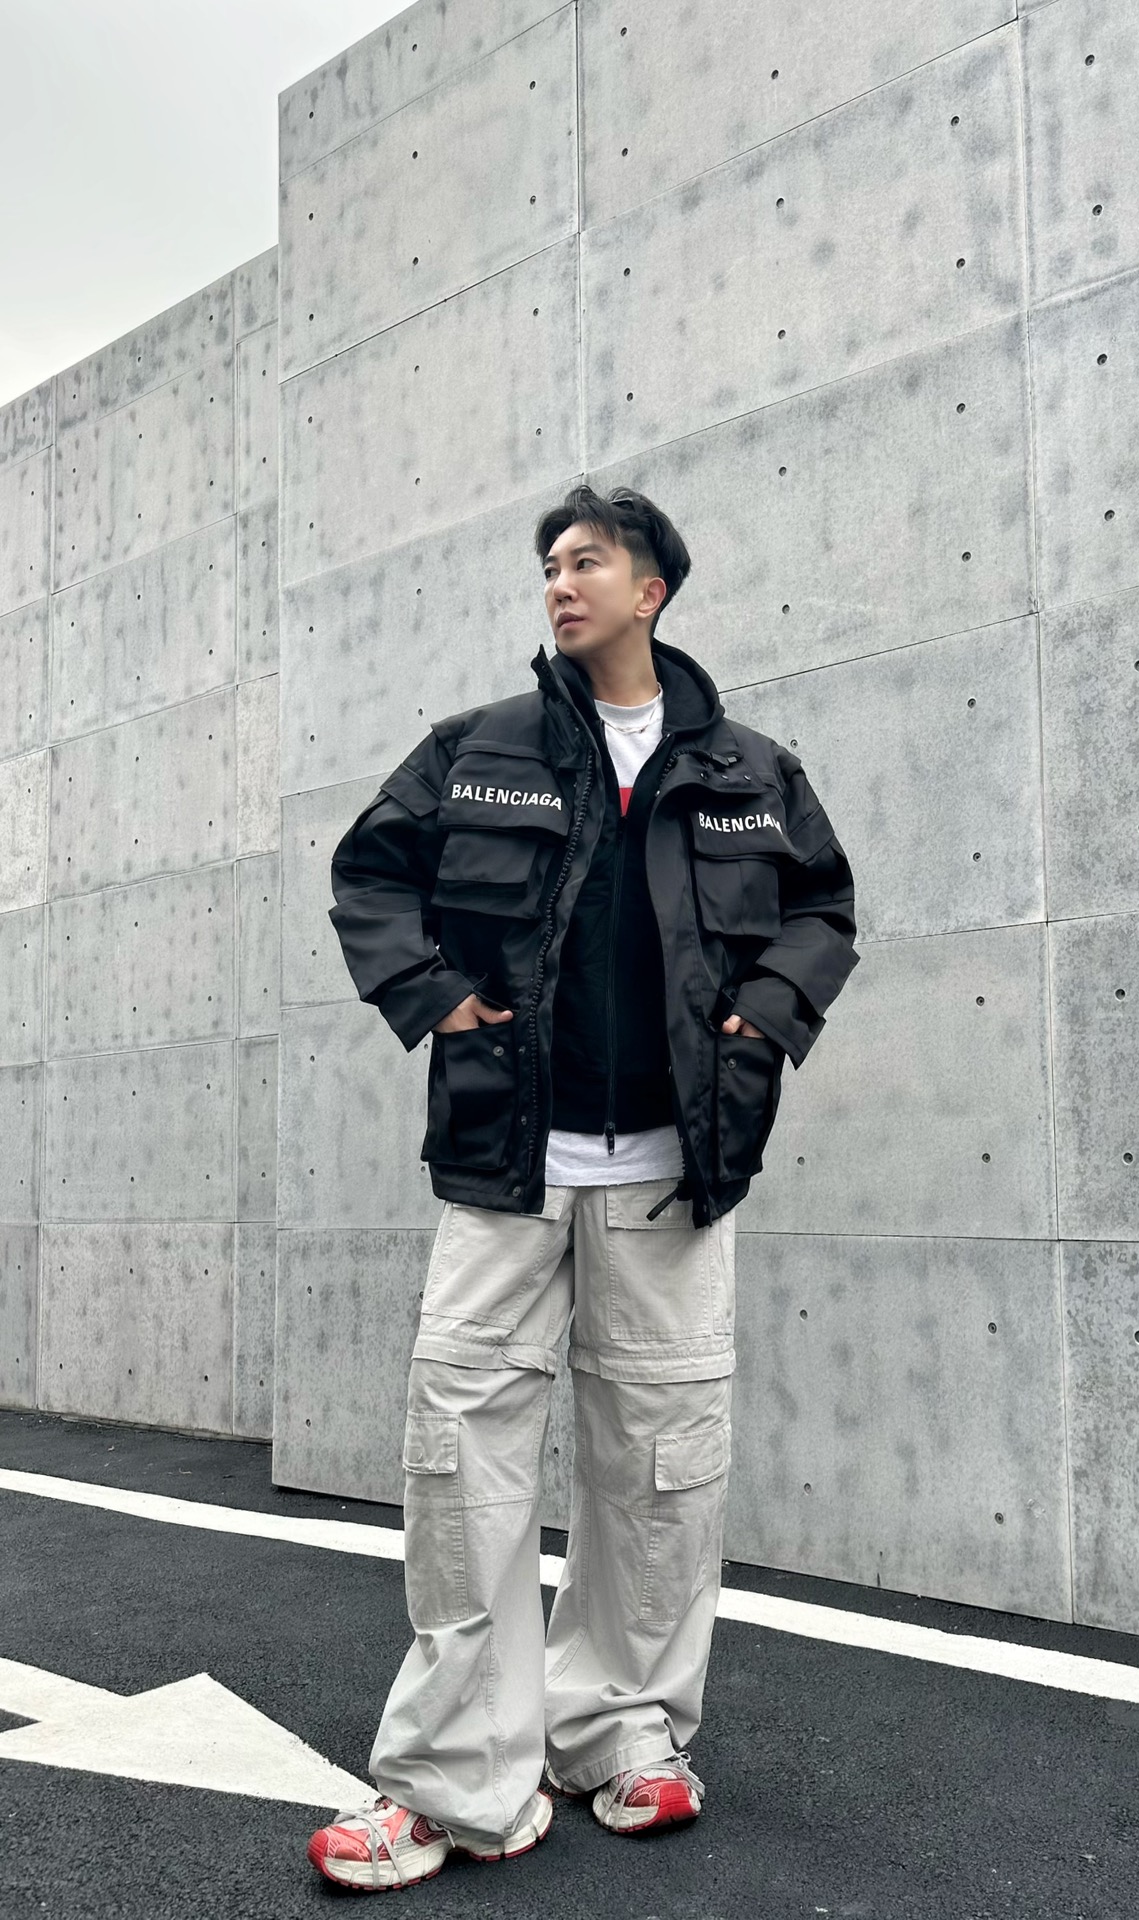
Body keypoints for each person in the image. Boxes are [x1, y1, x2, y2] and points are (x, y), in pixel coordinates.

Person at [306, 485, 859, 1891]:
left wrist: (763, 1017)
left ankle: (622, 1734)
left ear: (651, 588)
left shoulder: (747, 769)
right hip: (508, 1165)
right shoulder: (477, 750)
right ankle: (454, 1782)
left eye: (587, 562)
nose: (560, 583)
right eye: (549, 565)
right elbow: (370, 872)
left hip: (675, 1170)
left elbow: (821, 908)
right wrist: (432, 995)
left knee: (661, 1468)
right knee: (462, 1466)